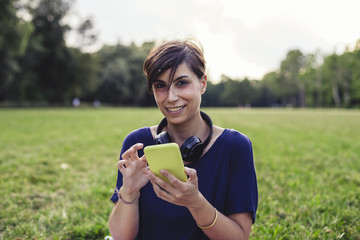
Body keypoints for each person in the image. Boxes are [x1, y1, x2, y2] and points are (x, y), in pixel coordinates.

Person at [108, 38, 258, 240]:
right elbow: (121, 236)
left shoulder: (235, 146)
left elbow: (239, 237)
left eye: (182, 83)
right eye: (160, 86)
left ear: (202, 83)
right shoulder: (138, 144)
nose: (171, 97)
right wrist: (130, 191)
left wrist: (195, 202)